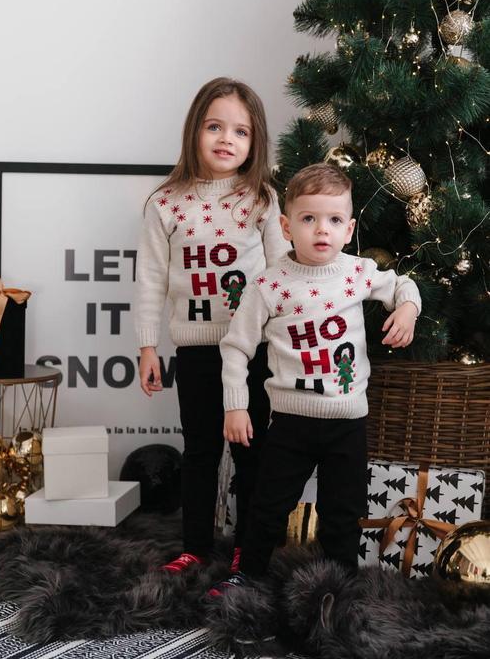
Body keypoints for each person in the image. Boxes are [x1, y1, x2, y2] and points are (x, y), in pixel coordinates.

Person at [211, 162, 421, 592]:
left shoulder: (357, 272)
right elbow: (235, 347)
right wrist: (236, 405)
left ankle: (339, 586)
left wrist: (407, 310)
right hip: (291, 421)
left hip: (346, 421)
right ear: (287, 227)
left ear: (349, 229)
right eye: (309, 219)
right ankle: (247, 573)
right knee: (269, 504)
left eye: (334, 220)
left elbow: (403, 285)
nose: (322, 230)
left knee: (343, 510)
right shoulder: (269, 285)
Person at [134, 77, 288, 573]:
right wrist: (148, 346)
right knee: (200, 451)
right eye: (215, 127)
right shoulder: (165, 203)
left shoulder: (261, 198)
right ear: (194, 131)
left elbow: (283, 275)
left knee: (251, 451)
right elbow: (151, 279)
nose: (227, 139)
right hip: (197, 351)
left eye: (241, 132)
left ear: (254, 142)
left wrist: (284, 344)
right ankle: (195, 547)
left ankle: (248, 547)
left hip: (253, 352)